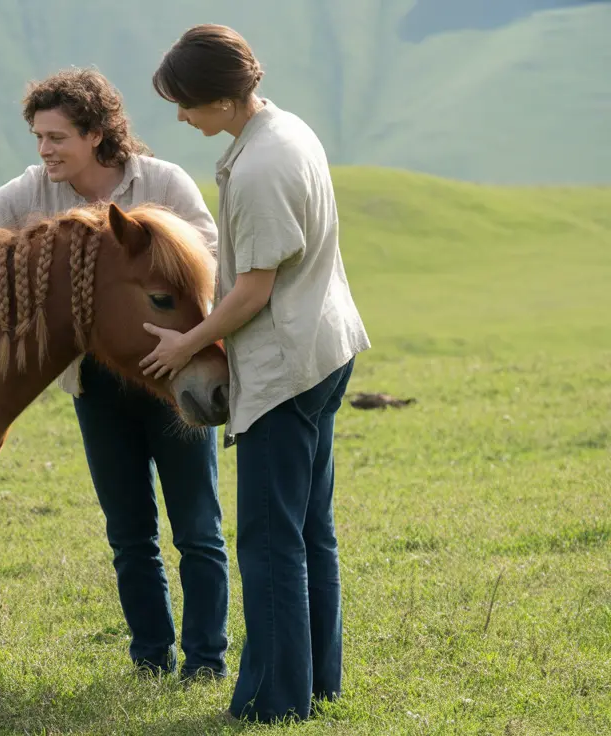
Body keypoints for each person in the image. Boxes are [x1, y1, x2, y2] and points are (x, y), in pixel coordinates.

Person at [0, 67, 231, 682]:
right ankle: (150, 658)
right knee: (129, 533)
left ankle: (206, 662)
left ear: (96, 134)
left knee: (198, 529)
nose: (45, 150)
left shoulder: (162, 182)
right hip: (95, 383)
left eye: (57, 137)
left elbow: (208, 256)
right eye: (38, 137)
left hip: (174, 371)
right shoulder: (36, 188)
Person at [141, 24, 372, 723]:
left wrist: (187, 344)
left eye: (184, 102)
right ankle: (317, 682)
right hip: (326, 346)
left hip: (286, 364)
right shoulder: (288, 131)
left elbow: (253, 291)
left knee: (270, 541)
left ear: (216, 96)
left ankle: (276, 701)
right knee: (309, 530)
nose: (180, 116)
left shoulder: (263, 167)